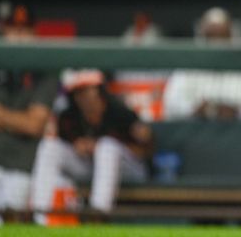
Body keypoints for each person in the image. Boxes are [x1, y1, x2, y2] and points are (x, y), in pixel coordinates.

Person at [30, 69, 152, 217]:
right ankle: (40, 214)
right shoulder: (69, 116)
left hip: (128, 170)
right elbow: (63, 142)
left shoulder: (119, 112)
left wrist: (97, 145)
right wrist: (78, 145)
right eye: (78, 91)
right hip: (90, 168)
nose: (83, 96)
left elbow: (145, 151)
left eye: (87, 89)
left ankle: (97, 215)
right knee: (49, 147)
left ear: (99, 90)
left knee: (107, 147)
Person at [0, 4, 57, 223]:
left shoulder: (44, 70)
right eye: (12, 28)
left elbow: (34, 125)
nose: (18, 35)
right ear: (3, 31)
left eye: (24, 29)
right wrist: (16, 119)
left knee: (7, 232)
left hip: (19, 165)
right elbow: (26, 121)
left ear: (34, 32)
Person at [163, 7, 241, 120]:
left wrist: (240, 111)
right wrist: (194, 110)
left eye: (223, 36)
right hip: (198, 132)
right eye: (210, 36)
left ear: (232, 35)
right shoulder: (189, 65)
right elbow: (172, 103)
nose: (216, 43)